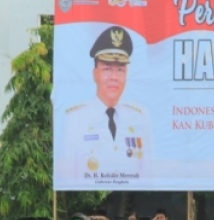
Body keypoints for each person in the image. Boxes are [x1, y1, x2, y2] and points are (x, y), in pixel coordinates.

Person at [63, 26, 152, 181]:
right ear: (95, 74)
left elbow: (149, 176)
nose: (114, 77)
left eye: (120, 70)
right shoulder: (75, 121)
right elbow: (66, 177)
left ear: (126, 75)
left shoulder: (140, 118)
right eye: (107, 69)